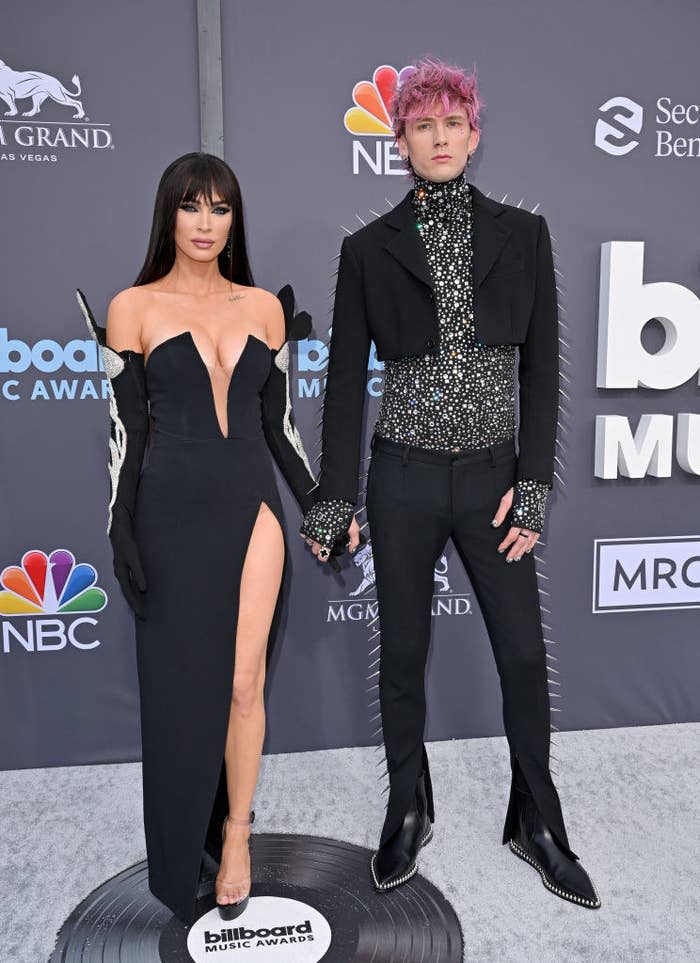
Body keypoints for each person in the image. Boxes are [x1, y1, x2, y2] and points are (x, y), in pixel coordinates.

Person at [301, 58, 600, 908]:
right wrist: (334, 495)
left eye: (452, 123)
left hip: (494, 483)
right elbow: (344, 386)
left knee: (523, 652)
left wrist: (533, 487)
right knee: (401, 652)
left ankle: (536, 821)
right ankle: (408, 805)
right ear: (399, 142)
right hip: (399, 480)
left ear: (474, 133)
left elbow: (542, 373)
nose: (438, 138)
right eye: (421, 126)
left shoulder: (523, 234)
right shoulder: (366, 250)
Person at [77, 152, 318, 925]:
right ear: (169, 216)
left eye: (220, 208)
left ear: (233, 219)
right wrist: (120, 526)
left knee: (246, 683)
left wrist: (319, 503)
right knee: (185, 697)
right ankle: (186, 848)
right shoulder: (132, 307)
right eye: (192, 207)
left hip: (253, 509)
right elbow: (125, 434)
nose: (207, 224)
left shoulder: (265, 309)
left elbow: (279, 428)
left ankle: (238, 837)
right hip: (168, 515)